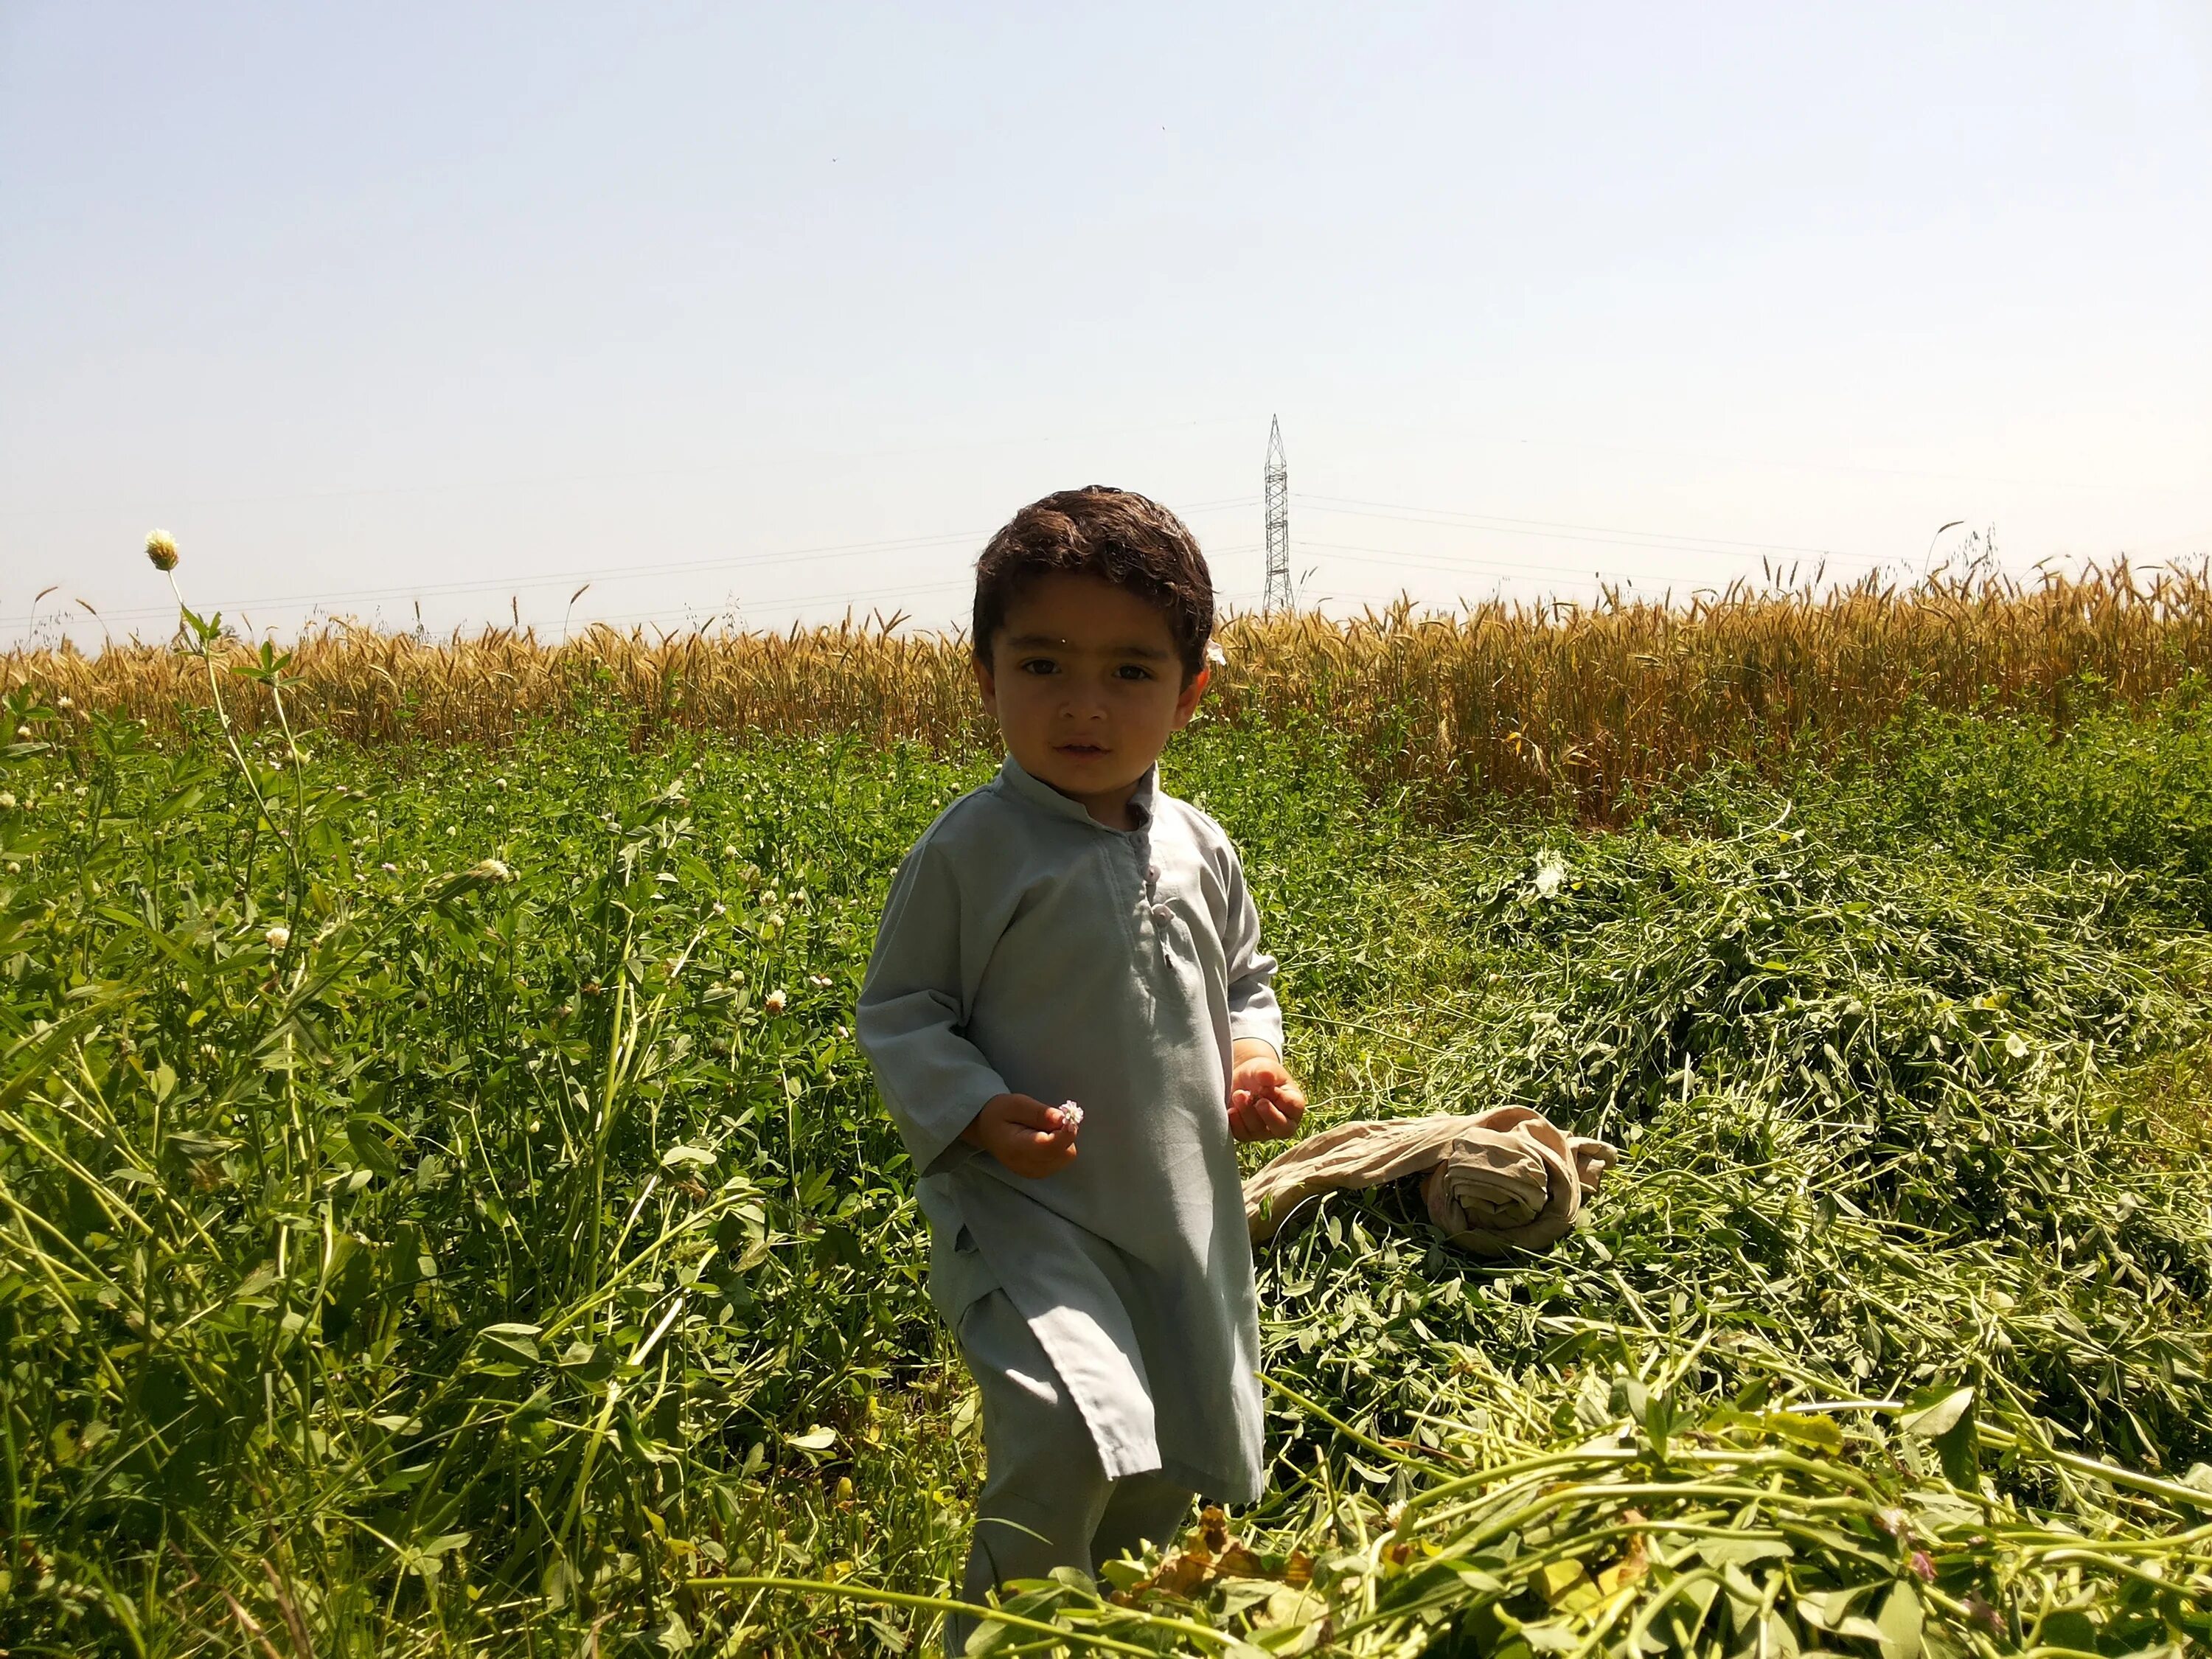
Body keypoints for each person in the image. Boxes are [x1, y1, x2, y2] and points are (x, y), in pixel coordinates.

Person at [855, 486, 1307, 1653]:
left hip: (1177, 1209)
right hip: (1028, 1211)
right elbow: (903, 1011)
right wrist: (977, 1110)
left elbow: (1246, 977)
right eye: (1044, 662)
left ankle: (1127, 1627)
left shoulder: (1200, 846)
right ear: (984, 671)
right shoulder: (973, 847)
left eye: (1130, 672)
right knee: (1067, 1424)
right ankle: (1003, 1634)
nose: (1083, 706)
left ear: (1192, 688)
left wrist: (1252, 1057)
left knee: (1178, 1445)